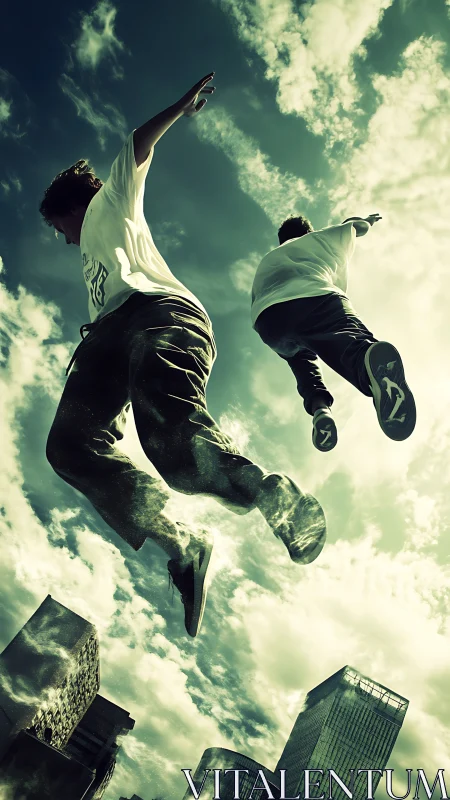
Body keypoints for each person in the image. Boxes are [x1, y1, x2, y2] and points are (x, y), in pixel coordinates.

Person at [39, 73, 326, 638]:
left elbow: (136, 145)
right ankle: (182, 542)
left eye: (58, 228)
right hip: (105, 340)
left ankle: (270, 495)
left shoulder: (111, 201)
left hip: (161, 315)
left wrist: (179, 106)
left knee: (171, 444)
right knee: (68, 446)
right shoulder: (92, 256)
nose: (64, 239)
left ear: (71, 207)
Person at [252, 214, 416, 452]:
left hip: (267, 322)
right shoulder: (318, 239)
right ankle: (373, 369)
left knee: (303, 363)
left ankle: (320, 410)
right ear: (308, 232)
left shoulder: (269, 258)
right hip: (313, 297)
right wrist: (366, 220)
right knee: (351, 340)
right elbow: (355, 227)